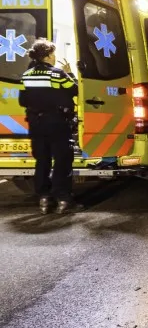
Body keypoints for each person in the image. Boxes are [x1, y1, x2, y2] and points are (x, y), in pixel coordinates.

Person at [18, 39, 82, 214]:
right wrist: (70, 73)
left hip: (36, 124)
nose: (54, 57)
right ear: (46, 56)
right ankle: (63, 199)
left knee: (42, 161)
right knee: (62, 160)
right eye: (53, 54)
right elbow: (75, 90)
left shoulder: (27, 75)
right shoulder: (57, 74)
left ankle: (44, 198)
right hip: (57, 123)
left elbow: (23, 100)